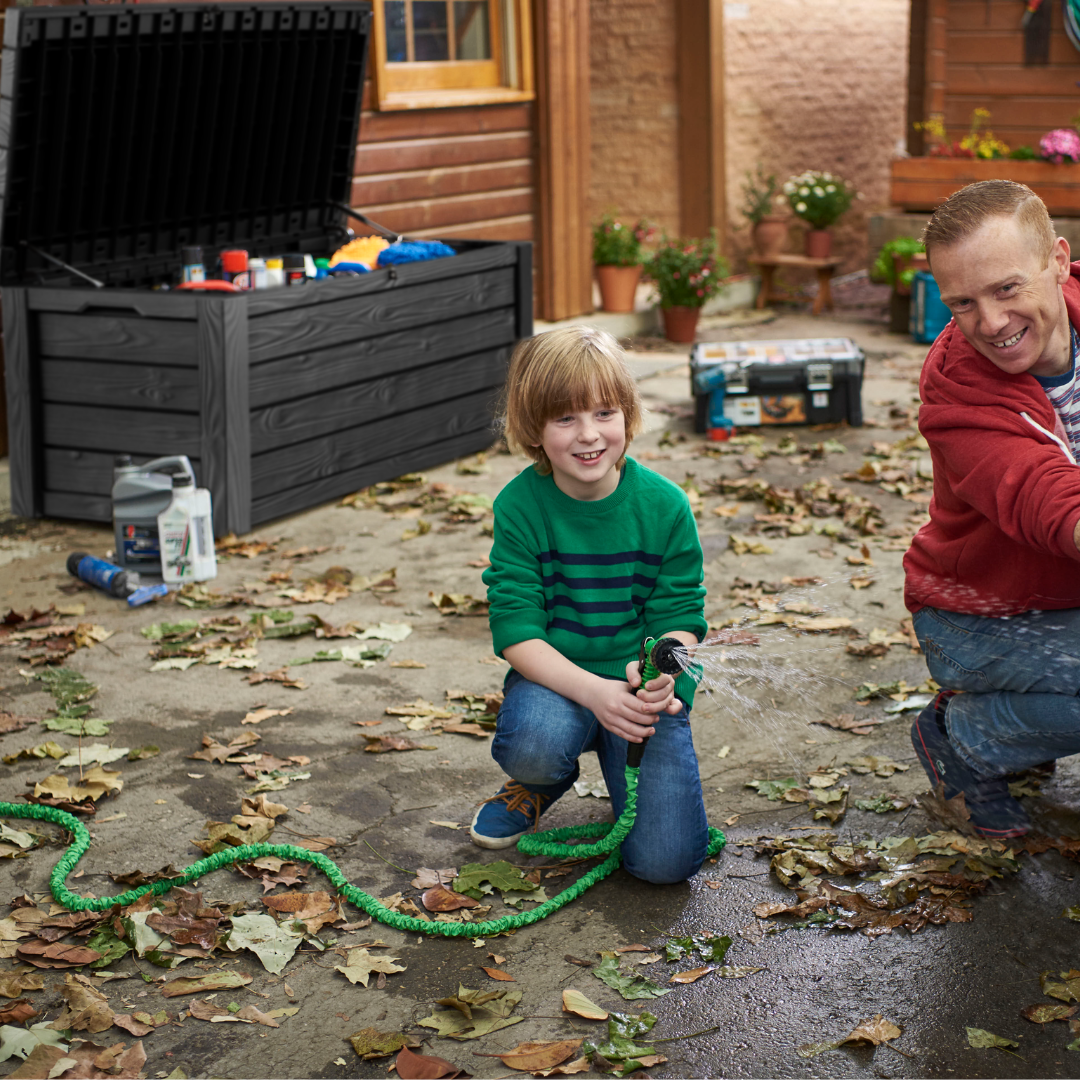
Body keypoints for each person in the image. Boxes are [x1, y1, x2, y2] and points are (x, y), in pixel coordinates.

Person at [472, 325, 710, 884]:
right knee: (536, 743)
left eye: (605, 413)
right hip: (560, 683)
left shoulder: (665, 507)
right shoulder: (521, 506)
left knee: (664, 865)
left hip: (640, 692)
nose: (589, 436)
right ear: (533, 427)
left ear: (628, 414)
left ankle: (619, 761)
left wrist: (663, 670)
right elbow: (516, 629)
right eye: (565, 418)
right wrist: (594, 692)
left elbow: (681, 615)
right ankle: (541, 780)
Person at [905, 179, 1080, 839]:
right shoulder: (956, 384)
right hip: (978, 616)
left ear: (1058, 261)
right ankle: (965, 734)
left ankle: (1026, 723)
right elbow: (1041, 494)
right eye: (962, 304)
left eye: (1007, 289)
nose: (991, 324)